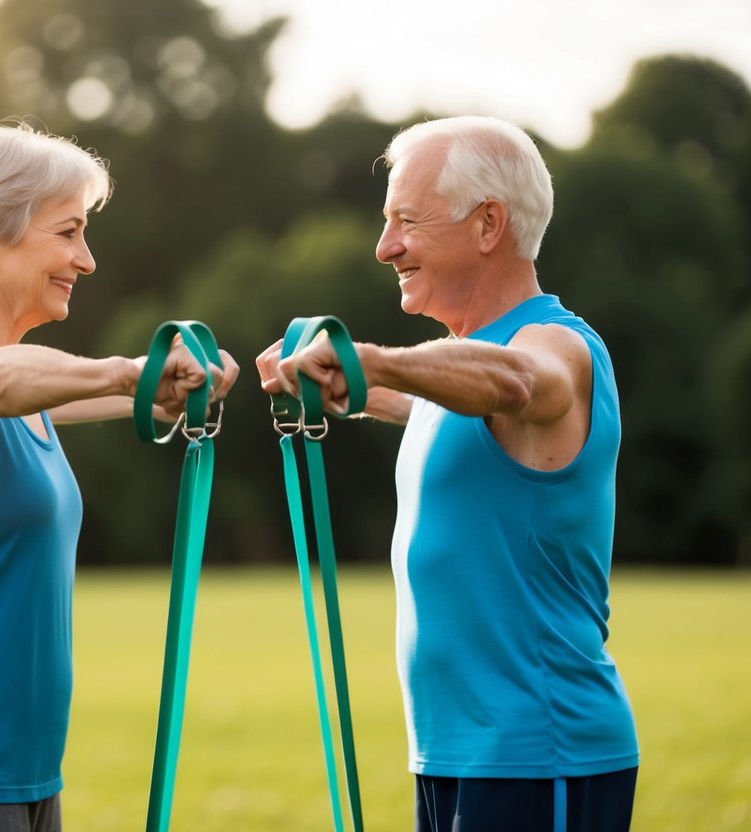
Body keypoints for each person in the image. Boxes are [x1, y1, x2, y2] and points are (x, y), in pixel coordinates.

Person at [0, 122, 239, 832]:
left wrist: (186, 382)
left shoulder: (30, 394)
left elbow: (123, 394)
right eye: (67, 233)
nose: (85, 260)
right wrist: (129, 369)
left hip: (18, 772)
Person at [257, 116, 639, 831]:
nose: (384, 246)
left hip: (539, 756)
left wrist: (371, 360)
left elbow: (518, 385)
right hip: (453, 758)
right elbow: (447, 405)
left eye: (406, 220)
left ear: (488, 223)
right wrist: (349, 389)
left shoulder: (555, 345)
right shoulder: (461, 374)